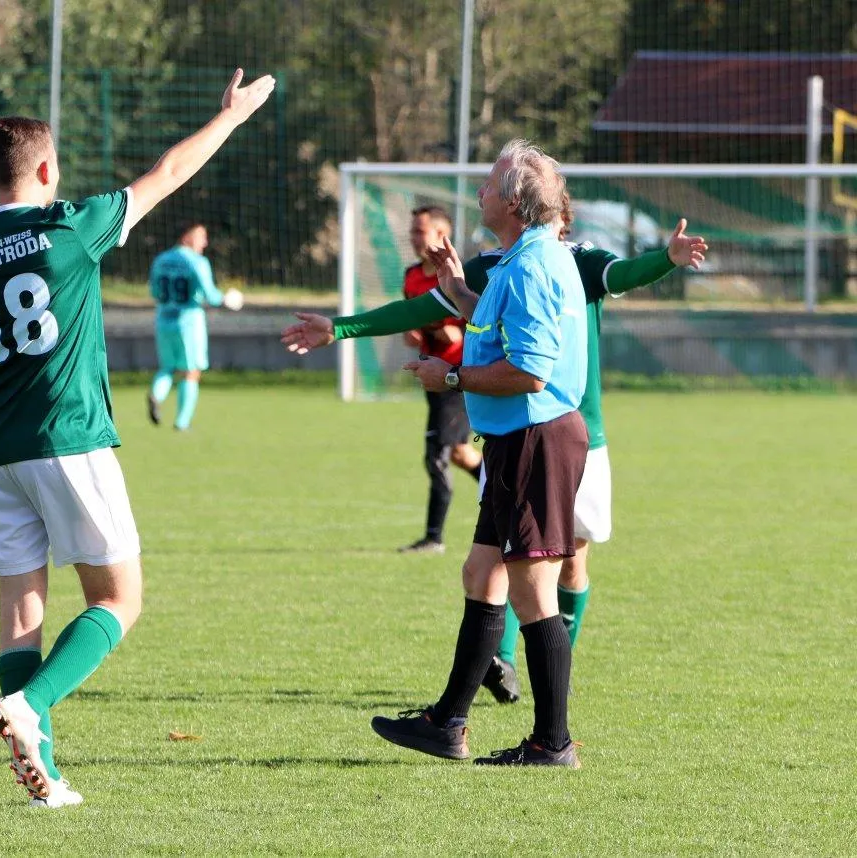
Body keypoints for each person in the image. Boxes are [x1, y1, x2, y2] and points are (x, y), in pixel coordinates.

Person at [0, 68, 276, 808]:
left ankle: (45, 775)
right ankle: (29, 707)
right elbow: (169, 173)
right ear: (47, 170)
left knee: (20, 615)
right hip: (67, 437)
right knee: (120, 599)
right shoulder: (68, 226)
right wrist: (230, 118)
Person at [281, 196, 707, 705]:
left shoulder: (580, 262)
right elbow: (418, 309)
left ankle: (555, 671)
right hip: (514, 436)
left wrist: (667, 258)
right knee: (500, 558)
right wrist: (340, 328)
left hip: (578, 439)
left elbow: (627, 273)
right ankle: (501, 663)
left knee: (570, 562)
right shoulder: (492, 268)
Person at [290, 139, 589, 766]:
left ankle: (552, 743)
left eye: (489, 184)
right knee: (481, 574)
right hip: (516, 440)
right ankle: (448, 723)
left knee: (533, 591)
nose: (478, 192)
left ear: (513, 202)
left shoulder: (532, 265)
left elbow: (531, 372)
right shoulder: (526, 257)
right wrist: (456, 290)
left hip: (536, 439)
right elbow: (502, 328)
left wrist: (450, 376)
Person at [398, 206, 482, 555]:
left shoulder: (462, 277)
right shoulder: (411, 276)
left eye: (420, 231)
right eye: (412, 231)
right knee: (462, 453)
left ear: (440, 235)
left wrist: (462, 334)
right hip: (431, 375)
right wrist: (413, 334)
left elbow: (483, 320)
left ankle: (433, 538)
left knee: (437, 455)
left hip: (458, 376)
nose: (413, 237)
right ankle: (509, 489)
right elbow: (410, 320)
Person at [147, 222, 226, 431]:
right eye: (200, 236)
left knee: (167, 367)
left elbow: (154, 292)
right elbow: (211, 296)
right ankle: (182, 422)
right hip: (189, 322)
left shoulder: (161, 259)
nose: (204, 242)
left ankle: (156, 395)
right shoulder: (197, 262)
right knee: (191, 372)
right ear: (186, 237)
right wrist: (227, 299)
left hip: (164, 320)